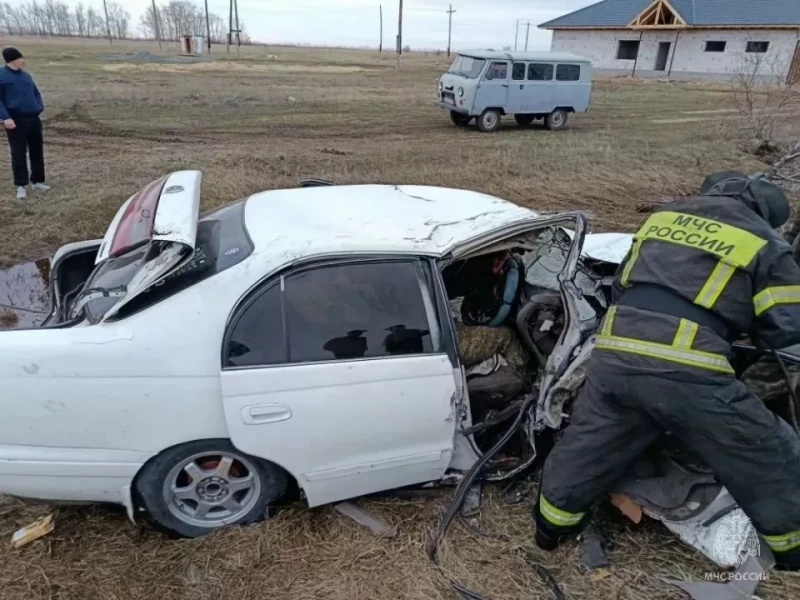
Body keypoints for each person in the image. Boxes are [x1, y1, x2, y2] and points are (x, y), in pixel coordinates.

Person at [534, 171, 800, 571]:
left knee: (589, 445)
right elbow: (787, 323)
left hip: (614, 354)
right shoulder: (762, 240)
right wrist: (739, 327)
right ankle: (793, 549)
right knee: (762, 448)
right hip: (686, 367)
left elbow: (622, 284)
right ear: (766, 213)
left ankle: (550, 529)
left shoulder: (662, 218)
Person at [0, 47, 50, 200]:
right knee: (18, 153)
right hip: (15, 121)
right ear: (13, 60)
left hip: (33, 119)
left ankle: (37, 181)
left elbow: (36, 93)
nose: (23, 61)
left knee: (37, 151)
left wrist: (39, 107)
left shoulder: (26, 75)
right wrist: (5, 117)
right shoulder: (2, 75)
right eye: (21, 58)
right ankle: (21, 185)